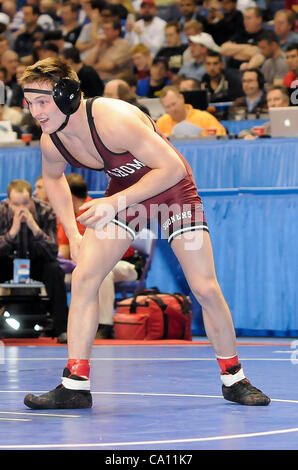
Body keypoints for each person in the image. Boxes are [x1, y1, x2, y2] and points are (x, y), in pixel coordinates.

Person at [21, 57, 270, 409]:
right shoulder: (52, 141)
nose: (36, 112)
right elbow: (53, 179)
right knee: (85, 278)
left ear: (67, 96)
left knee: (204, 286)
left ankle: (234, 378)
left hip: (172, 189)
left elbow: (171, 167)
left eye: (43, 102)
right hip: (128, 193)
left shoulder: (112, 118)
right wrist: (74, 236)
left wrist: (115, 202)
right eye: (30, 103)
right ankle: (75, 383)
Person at [57, 173, 139, 339]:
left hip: (124, 264)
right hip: (88, 264)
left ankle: (105, 326)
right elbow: (64, 253)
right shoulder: (69, 219)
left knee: (103, 271)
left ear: (70, 196)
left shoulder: (100, 210)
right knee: (62, 275)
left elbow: (117, 250)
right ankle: (64, 325)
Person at [0, 179, 68, 343]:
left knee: (55, 270)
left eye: (25, 203)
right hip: (7, 261)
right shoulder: (1, 211)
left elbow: (52, 251)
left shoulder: (45, 211)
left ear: (32, 198)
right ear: (8, 201)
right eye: (16, 204)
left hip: (38, 261)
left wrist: (34, 227)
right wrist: (12, 232)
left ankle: (62, 330)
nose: (21, 209)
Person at [156, 85, 226, 137]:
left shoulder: (204, 118)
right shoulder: (161, 123)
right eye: (167, 107)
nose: (172, 109)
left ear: (181, 98)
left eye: (174, 104)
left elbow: (221, 138)